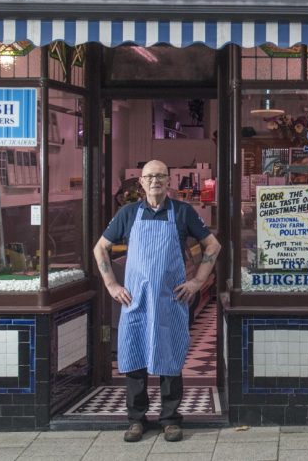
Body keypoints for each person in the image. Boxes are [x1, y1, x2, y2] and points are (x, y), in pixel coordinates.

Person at [93, 160, 221, 443]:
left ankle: (170, 420)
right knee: (134, 357)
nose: (155, 181)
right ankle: (137, 420)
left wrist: (197, 282)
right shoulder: (127, 213)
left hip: (170, 299)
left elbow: (213, 245)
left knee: (170, 357)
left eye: (161, 175)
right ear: (141, 182)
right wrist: (112, 284)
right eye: (149, 176)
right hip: (135, 300)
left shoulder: (183, 212)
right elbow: (100, 247)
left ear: (169, 181)